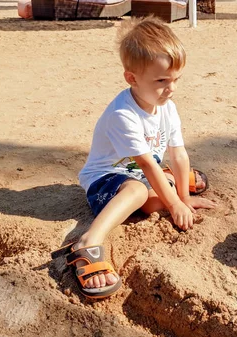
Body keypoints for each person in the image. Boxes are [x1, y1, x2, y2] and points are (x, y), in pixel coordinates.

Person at [54, 16, 216, 300]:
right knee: (142, 191)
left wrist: (182, 198)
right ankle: (87, 241)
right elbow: (146, 164)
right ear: (132, 78)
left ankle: (166, 184)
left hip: (138, 174)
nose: (172, 88)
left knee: (156, 200)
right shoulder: (123, 114)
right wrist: (176, 201)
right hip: (105, 180)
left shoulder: (167, 107)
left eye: (176, 79)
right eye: (162, 80)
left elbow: (178, 153)